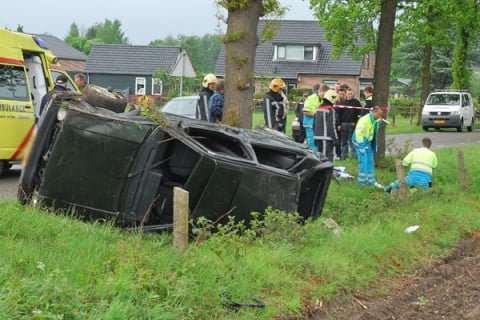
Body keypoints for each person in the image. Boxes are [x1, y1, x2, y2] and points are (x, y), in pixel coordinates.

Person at [352, 106, 383, 187]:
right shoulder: (365, 120)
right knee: (363, 162)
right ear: (374, 112)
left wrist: (378, 122)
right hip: (360, 142)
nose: (379, 117)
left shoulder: (373, 120)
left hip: (367, 142)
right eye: (379, 115)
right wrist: (361, 146)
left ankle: (371, 181)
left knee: (370, 162)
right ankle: (361, 182)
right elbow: (359, 133)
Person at [314, 89, 338, 161]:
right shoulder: (330, 110)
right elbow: (331, 126)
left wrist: (315, 136)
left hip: (317, 137)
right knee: (327, 159)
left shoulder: (318, 108)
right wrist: (335, 138)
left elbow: (313, 124)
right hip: (327, 138)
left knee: (320, 159)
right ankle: (327, 172)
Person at [337, 88, 362, 159]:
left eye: (351, 94)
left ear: (353, 94)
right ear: (346, 94)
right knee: (343, 141)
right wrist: (338, 124)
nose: (350, 95)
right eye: (348, 94)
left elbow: (360, 114)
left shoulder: (356, 103)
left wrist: (355, 122)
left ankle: (354, 156)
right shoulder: (342, 103)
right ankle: (344, 156)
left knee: (352, 141)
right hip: (343, 124)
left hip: (352, 124)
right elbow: (338, 114)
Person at [303, 84, 321, 150]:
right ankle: (313, 156)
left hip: (317, 124)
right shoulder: (310, 98)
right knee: (311, 140)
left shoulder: (321, 99)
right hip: (309, 123)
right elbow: (306, 112)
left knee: (316, 140)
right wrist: (318, 115)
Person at [334, 88, 347, 159]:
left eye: (342, 94)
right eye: (340, 94)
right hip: (337, 123)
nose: (341, 95)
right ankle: (338, 155)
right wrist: (338, 124)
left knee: (344, 140)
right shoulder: (336, 102)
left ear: (345, 94)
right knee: (337, 140)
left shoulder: (347, 102)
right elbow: (337, 114)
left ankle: (344, 154)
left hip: (345, 123)